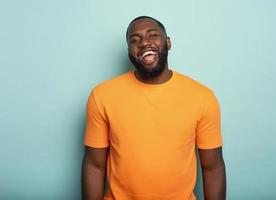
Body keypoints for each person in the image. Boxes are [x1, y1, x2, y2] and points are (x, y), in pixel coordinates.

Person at [81, 16, 226, 200]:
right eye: (135, 40)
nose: (144, 42)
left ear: (168, 42)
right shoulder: (101, 96)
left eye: (153, 35)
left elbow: (213, 167)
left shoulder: (202, 97)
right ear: (129, 52)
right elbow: (94, 165)